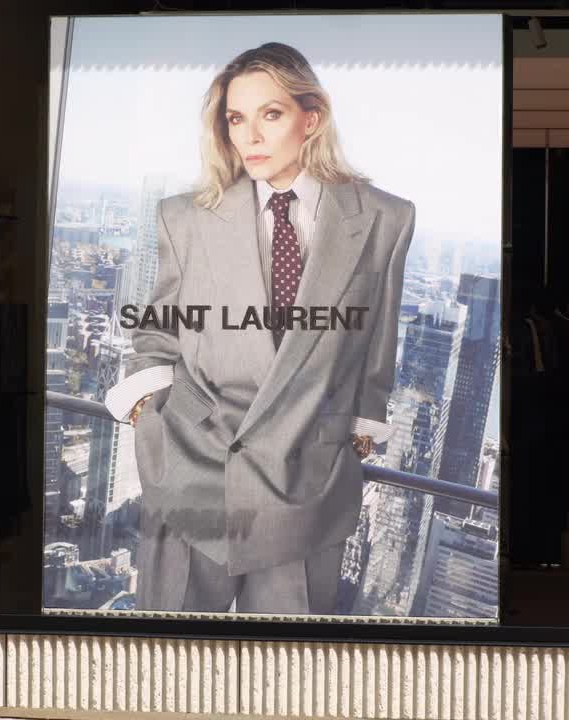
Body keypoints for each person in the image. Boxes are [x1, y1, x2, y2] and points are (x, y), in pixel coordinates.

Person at [103, 42, 415, 615]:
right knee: (168, 669)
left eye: (270, 114)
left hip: (307, 479)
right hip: (194, 471)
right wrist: (154, 416)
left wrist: (360, 422)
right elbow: (157, 331)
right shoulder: (186, 216)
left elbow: (377, 342)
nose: (250, 136)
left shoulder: (385, 219)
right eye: (236, 119)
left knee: (288, 675)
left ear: (311, 117)